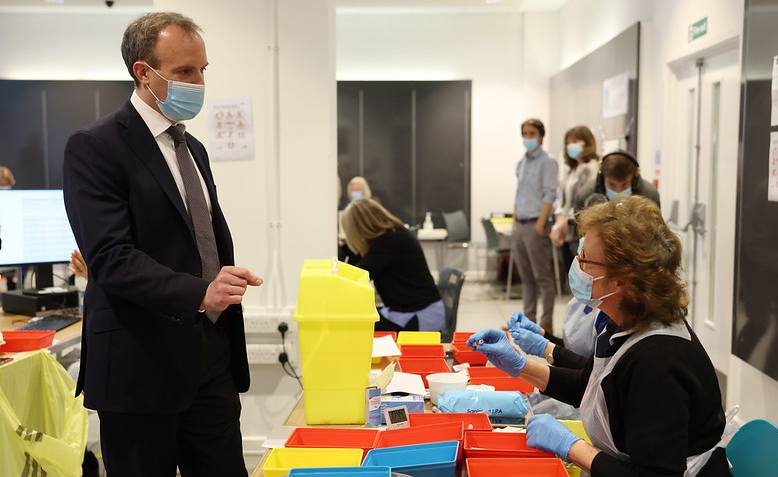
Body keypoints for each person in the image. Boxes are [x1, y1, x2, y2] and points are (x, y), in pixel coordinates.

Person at [62, 13, 262, 477]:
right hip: (139, 366)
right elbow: (110, 258)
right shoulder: (95, 147)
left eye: (203, 71)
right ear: (143, 72)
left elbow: (195, 243)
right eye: (184, 72)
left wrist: (220, 284)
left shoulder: (194, 150)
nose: (198, 83)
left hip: (210, 358)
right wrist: (199, 292)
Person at [468, 196, 730, 476]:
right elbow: (592, 388)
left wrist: (572, 447)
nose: (577, 265)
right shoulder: (623, 322)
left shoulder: (657, 362)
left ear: (621, 280)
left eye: (585, 260)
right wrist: (520, 364)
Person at [341, 198, 444, 332]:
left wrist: (346, 250)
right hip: (413, 309)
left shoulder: (388, 242)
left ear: (359, 229)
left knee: (355, 326)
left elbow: (357, 277)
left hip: (420, 316)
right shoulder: (394, 234)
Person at [512, 118, 559, 336]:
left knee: (543, 277)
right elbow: (520, 192)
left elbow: (550, 193)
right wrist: (514, 214)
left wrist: (542, 222)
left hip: (535, 224)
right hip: (520, 223)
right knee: (526, 277)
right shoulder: (522, 163)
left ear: (541, 136)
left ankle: (546, 322)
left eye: (532, 133)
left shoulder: (548, 162)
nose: (528, 137)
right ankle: (528, 321)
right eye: (525, 133)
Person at [550, 126, 600, 279]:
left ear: (587, 143)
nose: (571, 145)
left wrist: (566, 221)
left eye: (575, 141)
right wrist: (559, 220)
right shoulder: (572, 169)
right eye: (568, 142)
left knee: (583, 279)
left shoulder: (590, 168)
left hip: (578, 230)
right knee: (571, 279)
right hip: (566, 231)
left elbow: (585, 202)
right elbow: (562, 199)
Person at [575, 150, 660, 211]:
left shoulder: (649, 196)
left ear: (634, 178)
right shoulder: (585, 195)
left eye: (625, 185)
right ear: (602, 176)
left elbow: (657, 232)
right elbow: (578, 233)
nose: (618, 191)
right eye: (612, 184)